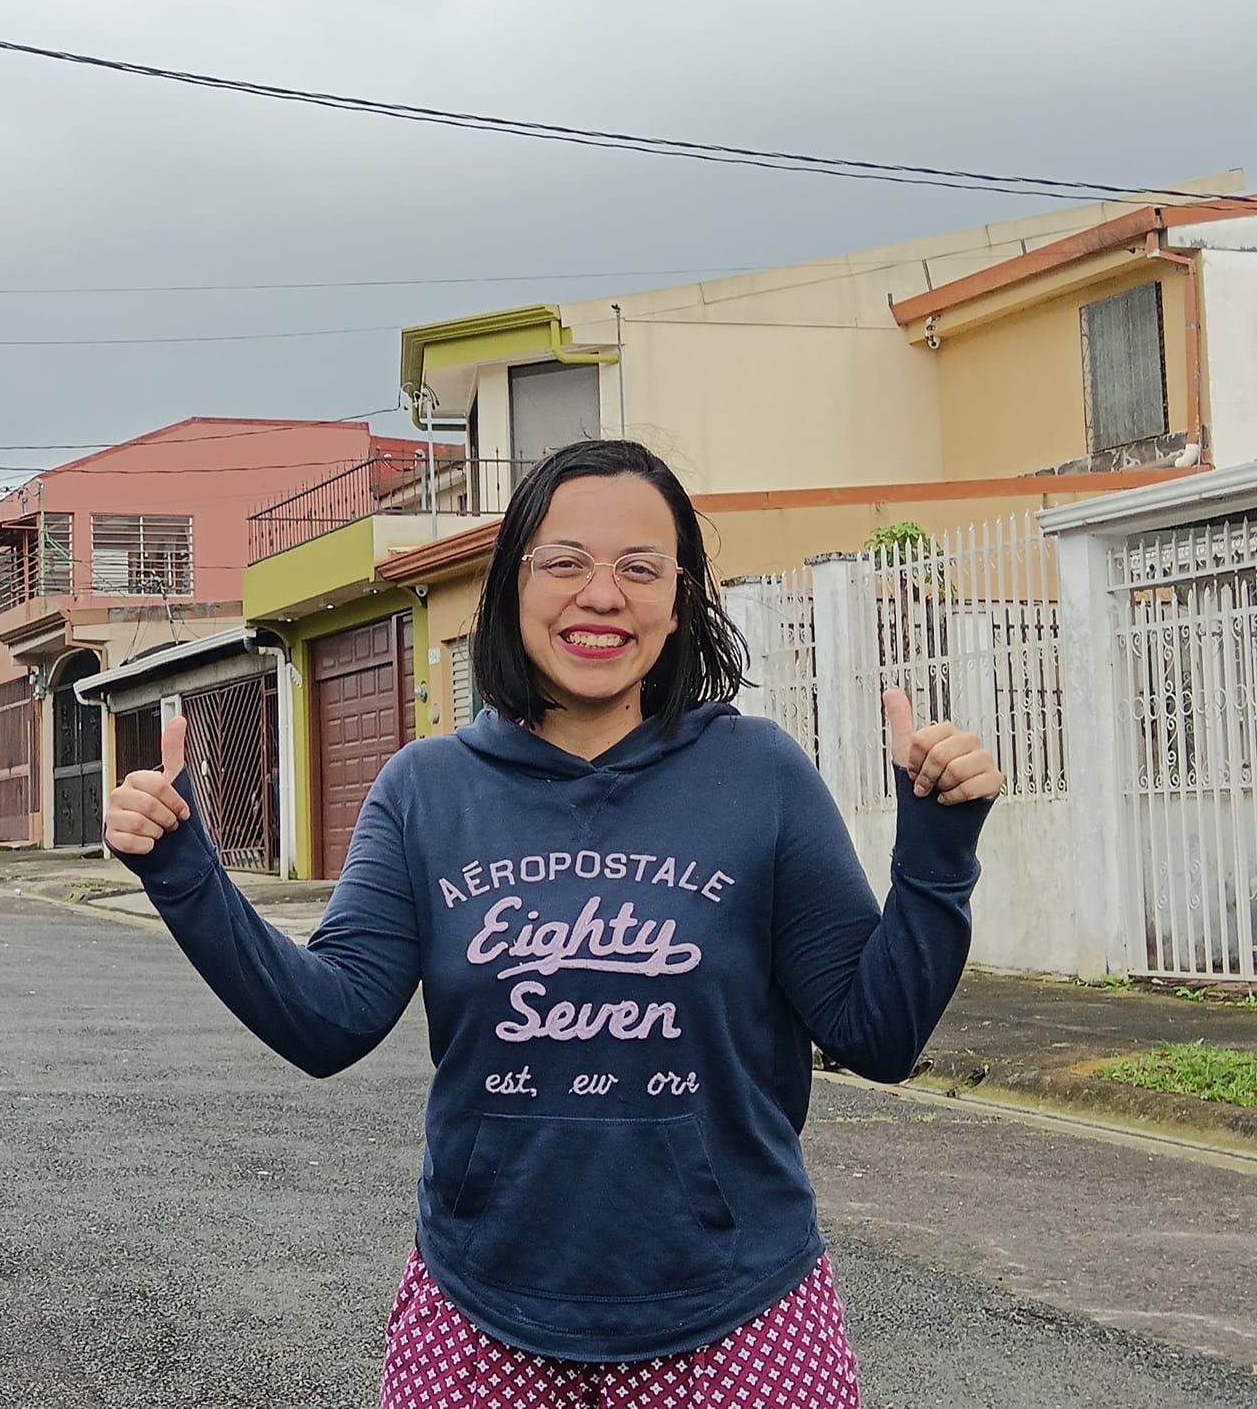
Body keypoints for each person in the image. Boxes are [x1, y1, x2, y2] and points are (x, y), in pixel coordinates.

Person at [104, 439, 1000, 1409]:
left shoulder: (760, 777)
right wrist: (183, 875)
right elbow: (327, 1022)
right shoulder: (426, 792)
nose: (599, 595)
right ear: (510, 584)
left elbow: (874, 1033)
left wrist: (937, 849)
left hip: (739, 1322)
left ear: (682, 594)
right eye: (564, 562)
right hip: (480, 1321)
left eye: (637, 568)